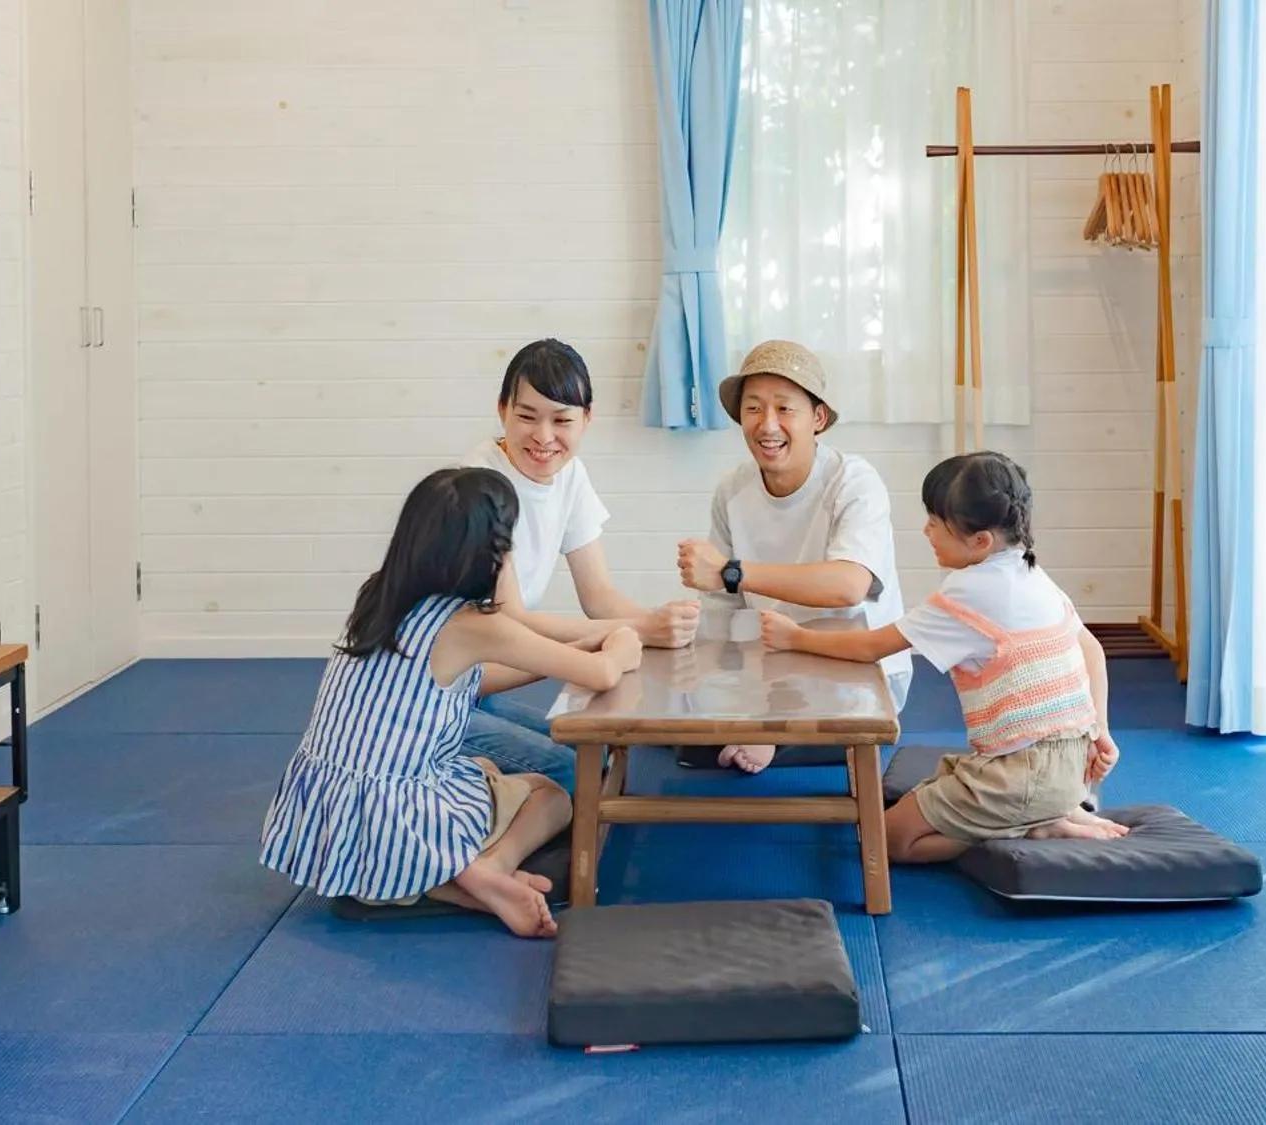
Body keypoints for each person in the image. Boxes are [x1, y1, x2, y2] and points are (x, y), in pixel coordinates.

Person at [258, 466, 643, 938]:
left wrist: (571, 653)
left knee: (487, 769)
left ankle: (432, 879)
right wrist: (623, 641)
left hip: (330, 816)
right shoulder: (473, 625)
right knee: (552, 794)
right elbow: (604, 673)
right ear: (492, 554)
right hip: (398, 810)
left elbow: (480, 677)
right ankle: (490, 872)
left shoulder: (380, 594)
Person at [757, 451, 1127, 864]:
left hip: (1023, 774)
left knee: (887, 841)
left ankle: (1032, 825)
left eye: (936, 523)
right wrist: (1101, 732)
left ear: (980, 540)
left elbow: (871, 647)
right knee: (932, 791)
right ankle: (1042, 813)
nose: (926, 530)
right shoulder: (1029, 570)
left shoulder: (968, 592)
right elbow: (1092, 649)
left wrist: (796, 637)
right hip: (1073, 765)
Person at [456, 339, 699, 789]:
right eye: (527, 417)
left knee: (591, 750)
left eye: (562, 420)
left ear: (587, 419)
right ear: (502, 409)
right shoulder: (481, 487)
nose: (544, 437)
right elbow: (510, 622)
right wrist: (628, 636)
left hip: (475, 686)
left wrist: (665, 629)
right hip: (439, 691)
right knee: (572, 770)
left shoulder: (569, 475)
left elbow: (599, 595)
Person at [675, 340, 910, 774]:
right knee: (674, 730)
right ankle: (766, 728)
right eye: (753, 409)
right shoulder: (732, 489)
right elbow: (722, 604)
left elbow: (849, 585)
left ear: (817, 419)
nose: (767, 425)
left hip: (852, 662)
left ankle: (777, 735)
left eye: (785, 409)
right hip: (769, 657)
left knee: (716, 745)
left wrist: (732, 572)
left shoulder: (854, 481)